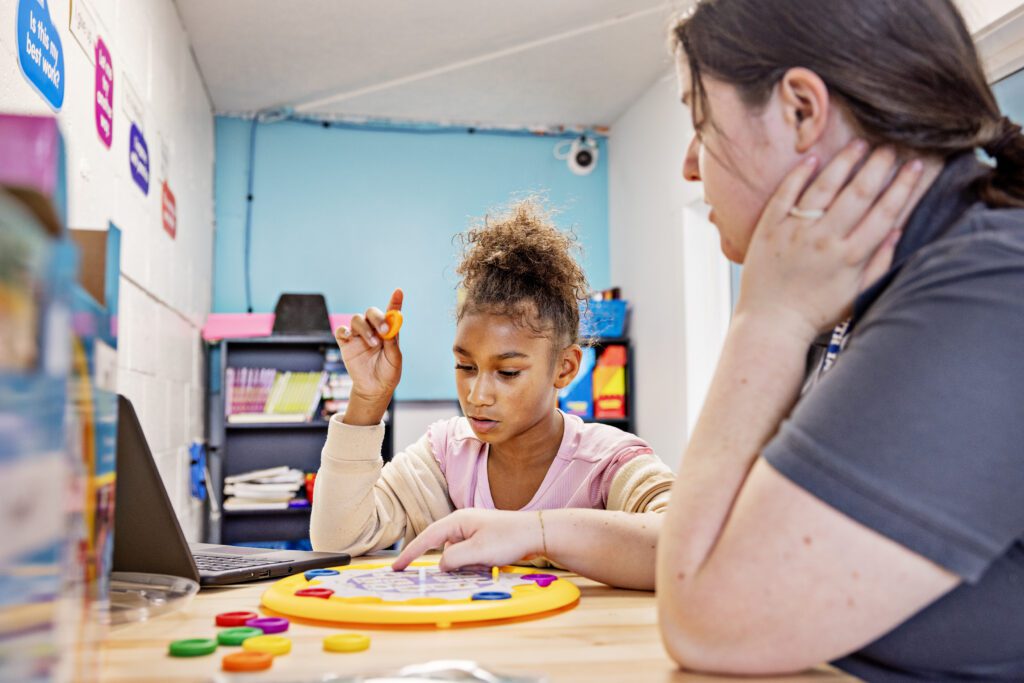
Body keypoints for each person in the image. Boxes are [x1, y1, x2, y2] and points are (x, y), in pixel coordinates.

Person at [396, 1, 1024, 679]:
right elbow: (718, 544)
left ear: (801, 112)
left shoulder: (986, 290)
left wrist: (766, 319)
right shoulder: (860, 298)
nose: (691, 166)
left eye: (702, 121)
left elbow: (709, 619)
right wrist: (538, 530)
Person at [310, 199, 674, 590]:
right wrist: (367, 398)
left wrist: (534, 532)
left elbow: (687, 545)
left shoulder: (607, 462)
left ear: (565, 368)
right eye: (466, 367)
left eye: (508, 372)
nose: (478, 395)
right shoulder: (444, 454)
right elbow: (338, 541)